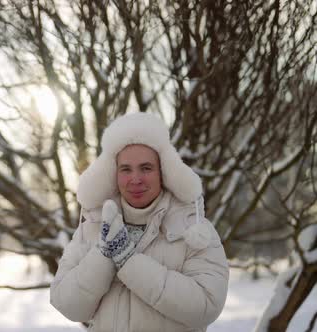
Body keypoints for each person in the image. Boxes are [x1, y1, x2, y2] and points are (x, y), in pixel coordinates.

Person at [50, 112, 229, 332]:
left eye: (146, 168)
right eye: (125, 169)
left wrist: (129, 262)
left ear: (163, 171)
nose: (135, 179)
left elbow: (206, 306)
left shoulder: (193, 229)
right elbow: (67, 305)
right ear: (113, 174)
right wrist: (104, 255)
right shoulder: (93, 227)